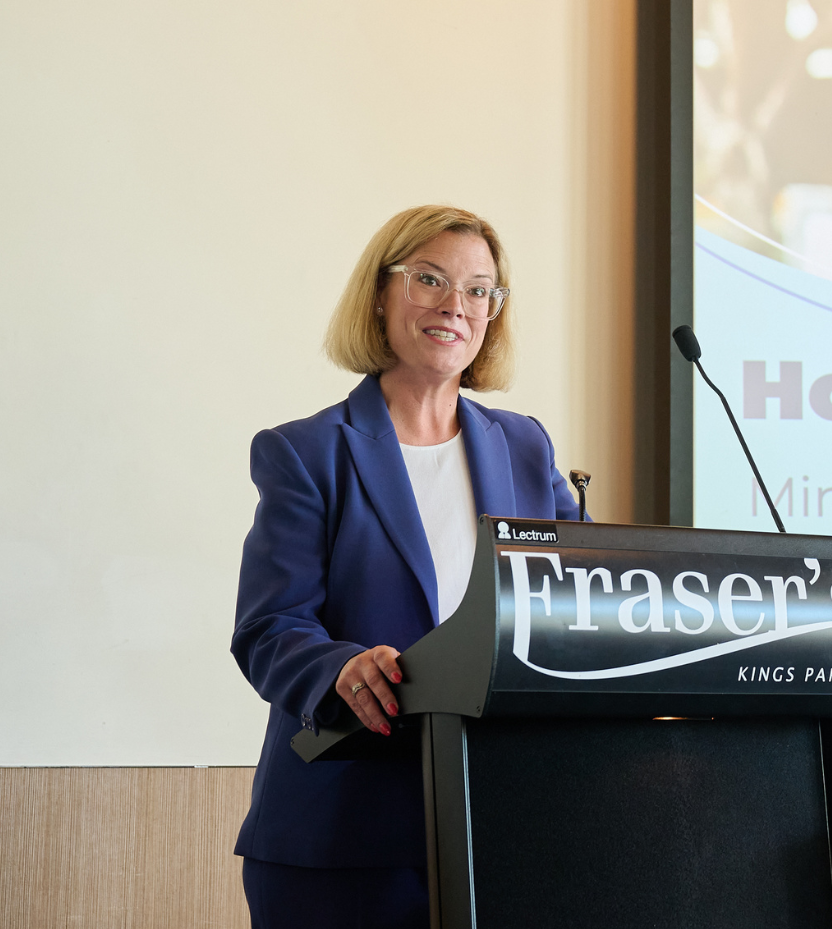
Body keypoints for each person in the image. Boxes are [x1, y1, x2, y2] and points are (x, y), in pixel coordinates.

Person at [230, 205, 583, 928]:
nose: (456, 305)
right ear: (381, 294)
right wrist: (340, 668)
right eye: (430, 279)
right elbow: (270, 627)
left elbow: (572, 602)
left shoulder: (524, 449)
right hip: (344, 840)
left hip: (503, 828)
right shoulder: (307, 453)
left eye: (480, 289)